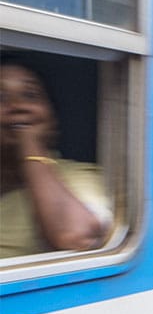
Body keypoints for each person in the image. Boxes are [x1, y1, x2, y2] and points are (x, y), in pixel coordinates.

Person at [0, 57, 111, 258]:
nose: (17, 105)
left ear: (53, 118)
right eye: (1, 97)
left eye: (30, 95)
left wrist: (30, 145)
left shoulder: (78, 178)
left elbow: (77, 237)